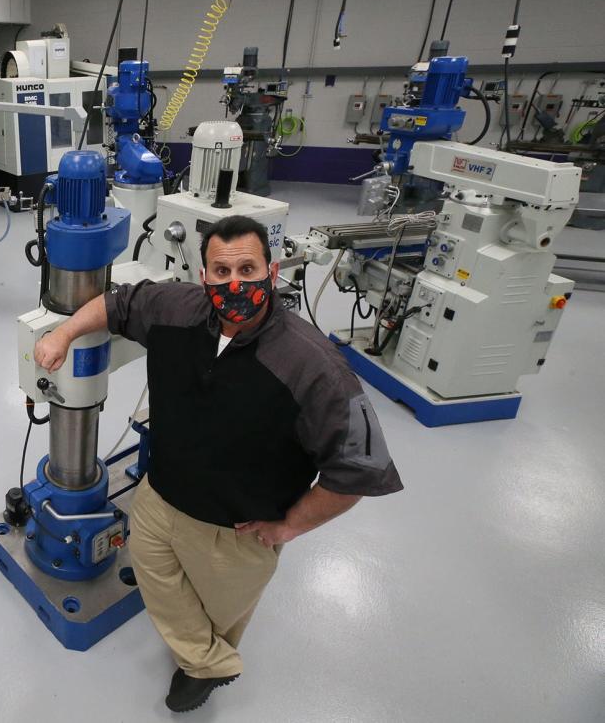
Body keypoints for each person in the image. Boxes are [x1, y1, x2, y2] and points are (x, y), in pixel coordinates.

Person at [33, 215, 403, 713]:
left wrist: (290, 526)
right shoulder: (176, 309)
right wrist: (63, 334)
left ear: (271, 274)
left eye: (247, 269)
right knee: (153, 574)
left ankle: (200, 667)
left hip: (236, 530)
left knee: (220, 612)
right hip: (159, 499)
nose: (235, 284)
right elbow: (118, 304)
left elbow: (358, 470)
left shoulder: (314, 366)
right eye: (221, 271)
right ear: (203, 275)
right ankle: (208, 662)